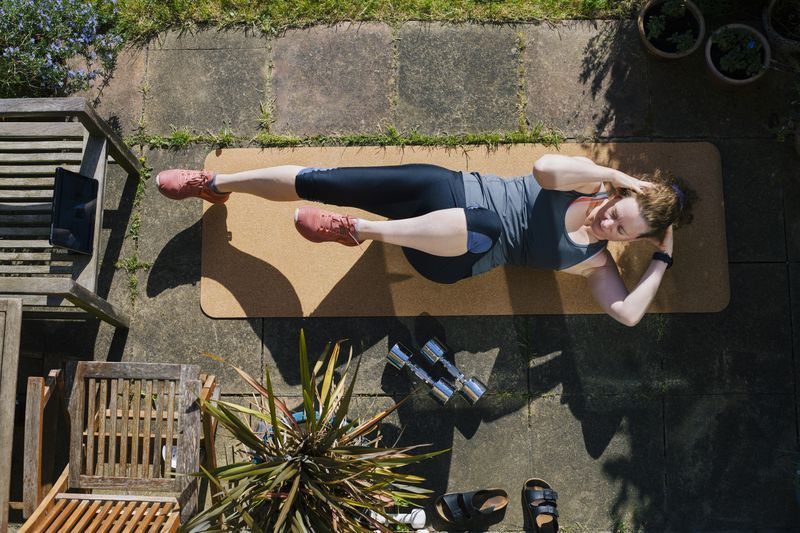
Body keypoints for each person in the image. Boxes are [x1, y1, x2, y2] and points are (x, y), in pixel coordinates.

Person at [156, 155, 695, 327]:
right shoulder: (590, 182)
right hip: (443, 192)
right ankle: (214, 186)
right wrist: (616, 177)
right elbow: (542, 166)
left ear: (633, 241)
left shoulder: (595, 262)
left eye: (621, 229)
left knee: (483, 224)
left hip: (452, 255)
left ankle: (354, 230)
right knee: (326, 181)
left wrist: (662, 260)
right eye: (612, 209)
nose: (606, 222)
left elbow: (626, 314)